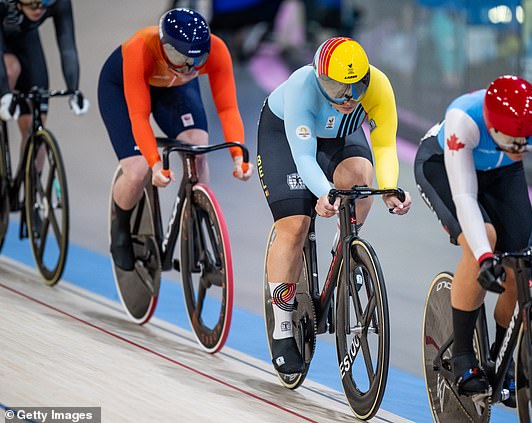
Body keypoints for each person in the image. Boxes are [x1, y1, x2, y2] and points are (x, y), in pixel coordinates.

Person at [414, 75, 532, 404]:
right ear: (494, 129)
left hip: (500, 171)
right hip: (443, 166)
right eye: (515, 144)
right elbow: (466, 197)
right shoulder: (463, 120)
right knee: (482, 239)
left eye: (527, 144)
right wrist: (484, 256)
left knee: (520, 260)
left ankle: (502, 357)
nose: (522, 150)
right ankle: (463, 357)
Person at [257, 36, 412, 374]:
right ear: (319, 77)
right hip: (286, 138)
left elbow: (385, 146)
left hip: (338, 136)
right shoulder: (302, 87)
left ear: (367, 79)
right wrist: (324, 191)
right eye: (336, 87)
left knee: (362, 178)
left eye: (355, 88)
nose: (347, 97)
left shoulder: (379, 87)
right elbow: (303, 157)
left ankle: (343, 251)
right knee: (295, 224)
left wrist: (389, 188)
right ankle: (282, 327)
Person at [98, 7, 253, 271]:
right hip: (123, 89)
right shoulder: (140, 48)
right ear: (163, 45)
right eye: (178, 57)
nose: (189, 67)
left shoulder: (212, 53)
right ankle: (120, 227)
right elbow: (139, 117)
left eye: (197, 60)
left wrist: (239, 157)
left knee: (197, 149)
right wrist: (156, 165)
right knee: (137, 171)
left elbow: (227, 109)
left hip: (174, 88)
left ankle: (198, 222)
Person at [0, 0, 88, 136]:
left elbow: (68, 48)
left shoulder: (58, 3)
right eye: (33, 5)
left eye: (44, 5)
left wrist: (74, 90)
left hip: (26, 42)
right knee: (11, 69)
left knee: (36, 124)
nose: (38, 10)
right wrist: (5, 92)